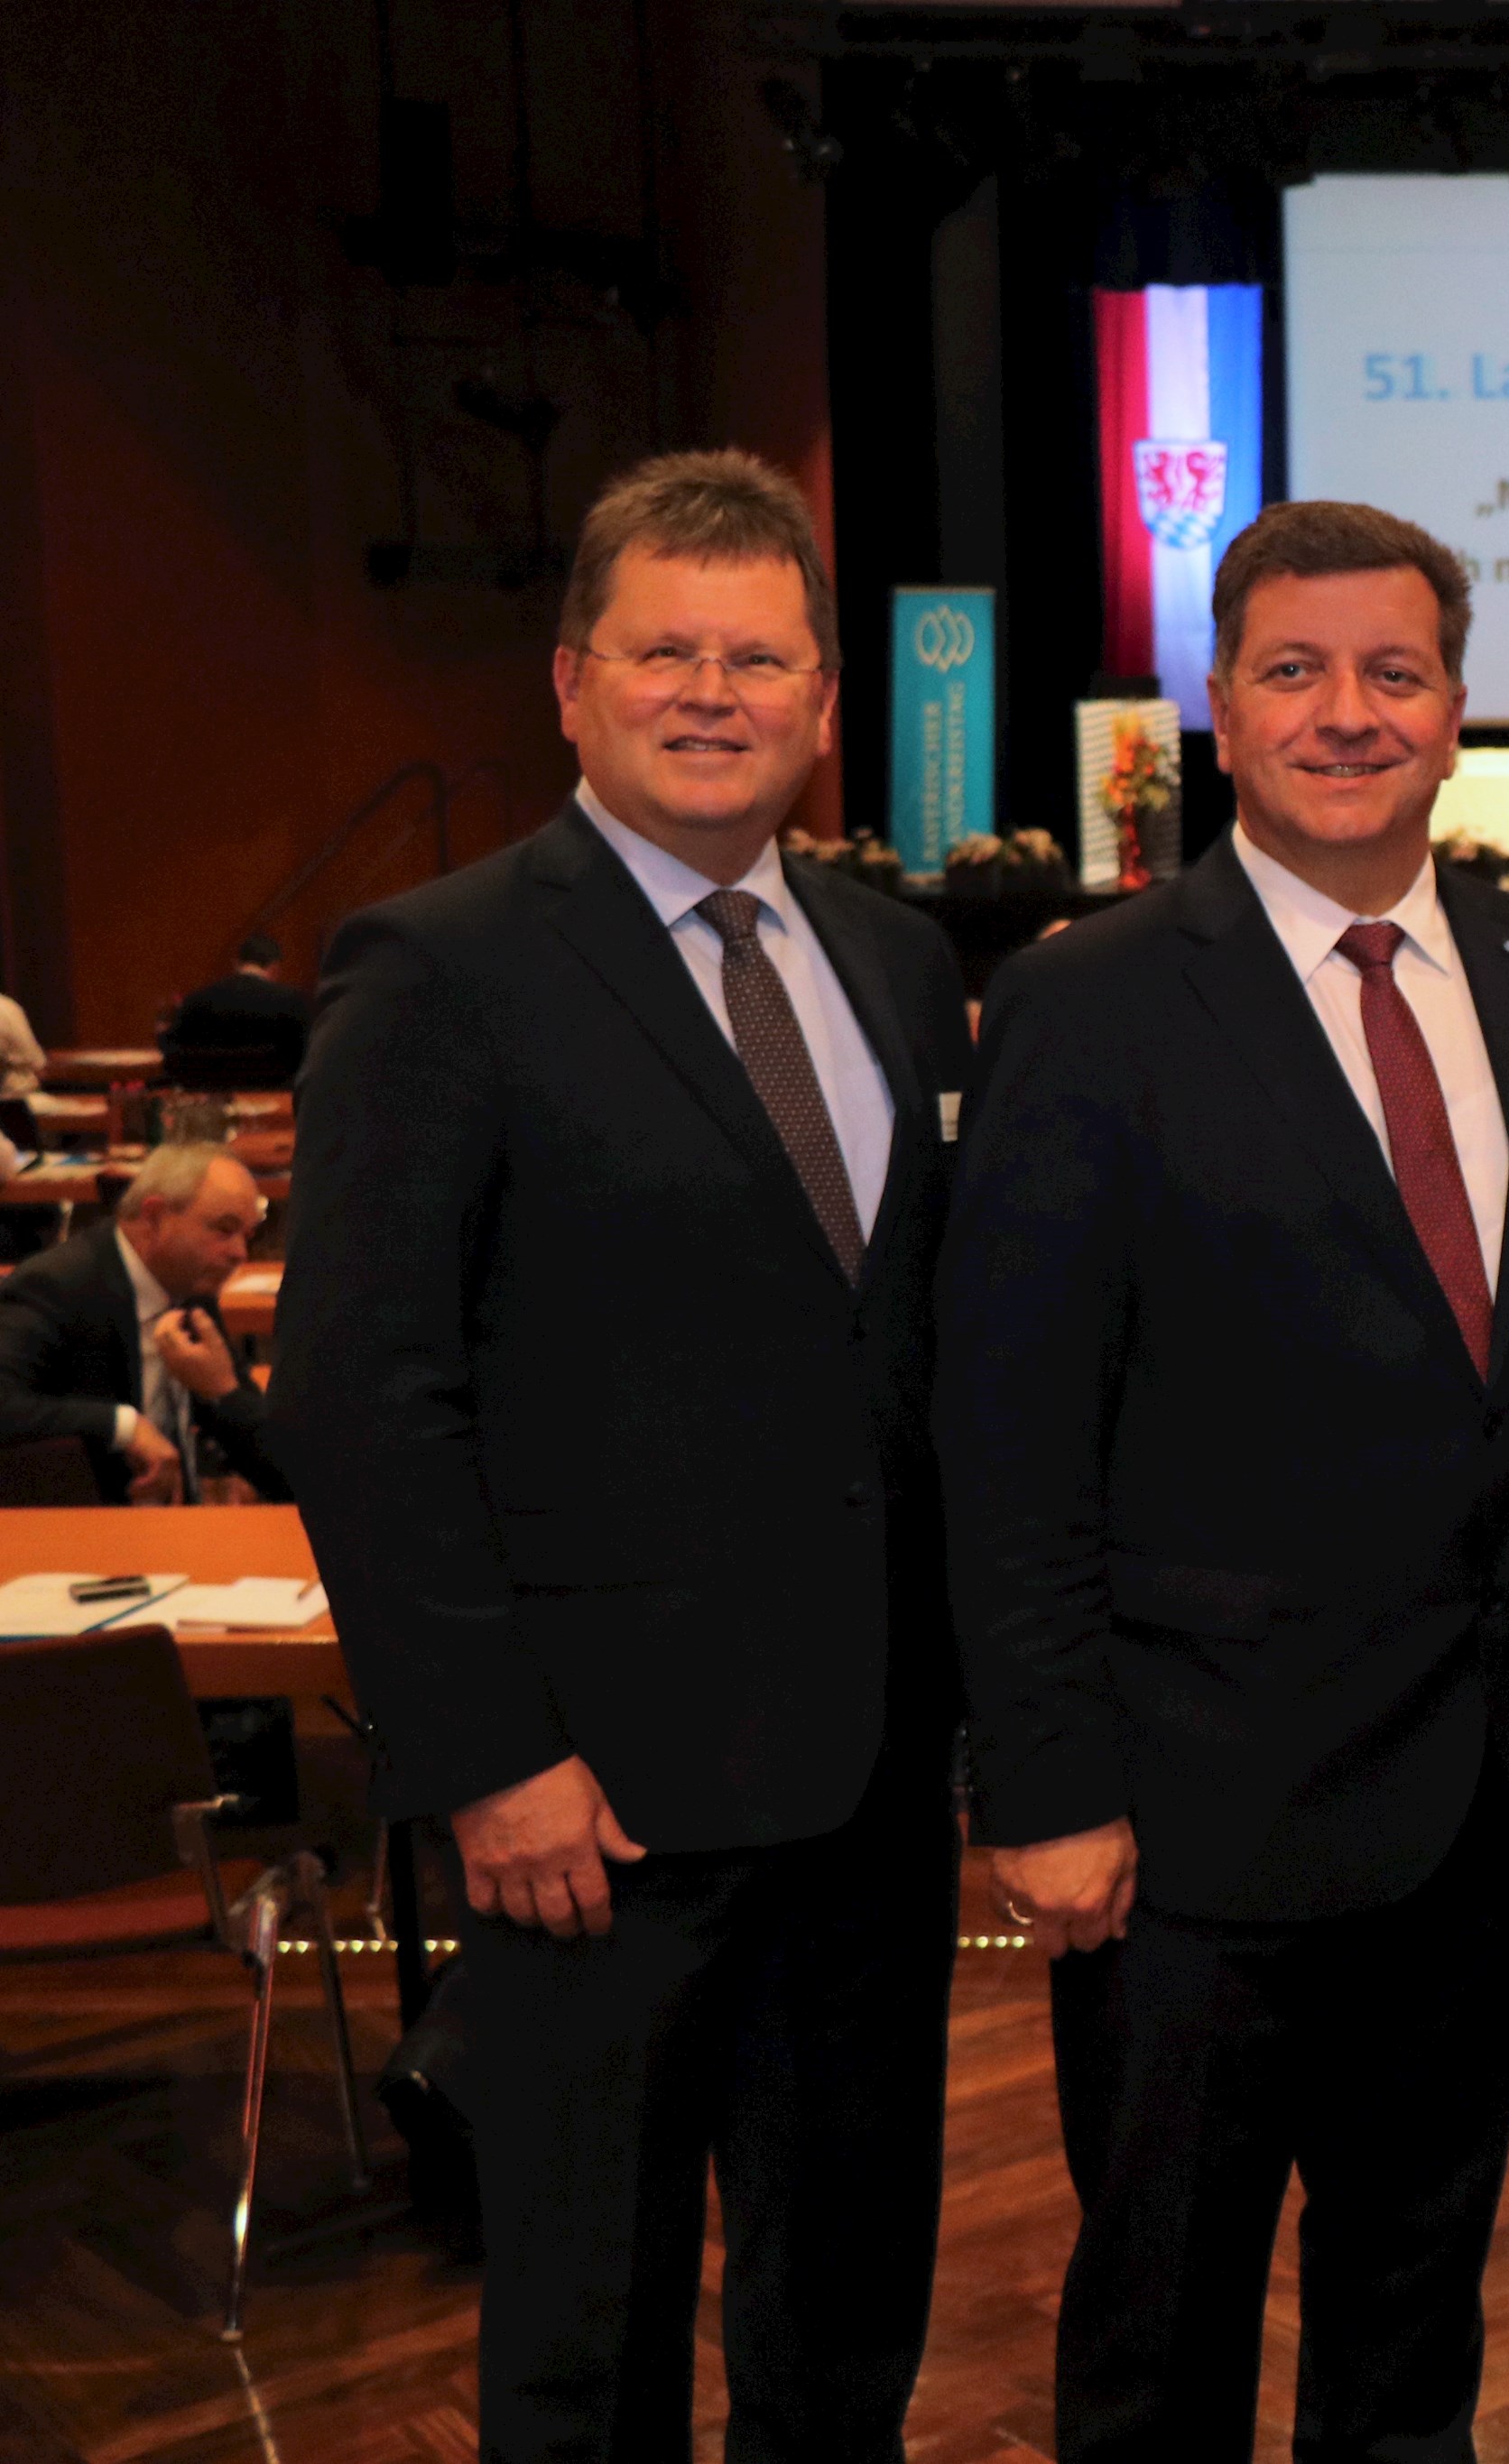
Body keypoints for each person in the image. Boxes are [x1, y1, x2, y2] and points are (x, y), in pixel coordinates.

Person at [275, 448, 973, 2464]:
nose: (711, 691)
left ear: (828, 704)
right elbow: (360, 1392)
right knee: (589, 2353)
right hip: (593, 1811)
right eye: (663, 647)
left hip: (857, 1793)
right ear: (570, 681)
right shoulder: (441, 966)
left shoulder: (896, 964)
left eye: (759, 656)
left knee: (844, 2318)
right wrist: (489, 1755)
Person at [941, 498, 1509, 2464]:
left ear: (1457, 713)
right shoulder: (1089, 1002)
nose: (1347, 713)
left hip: (1482, 1802)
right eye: (1294, 671)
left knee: (1412, 2331)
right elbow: (1008, 1426)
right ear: (1216, 713)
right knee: (1159, 2343)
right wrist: (1050, 1783)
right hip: (1187, 1829)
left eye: (1393, 673)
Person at [0, 1141, 278, 1503]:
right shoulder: (56, 1286)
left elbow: (280, 1471)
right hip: (83, 1535)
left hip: (178, 1529)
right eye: (224, 1230)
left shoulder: (191, 1286)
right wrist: (124, 1427)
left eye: (247, 1235)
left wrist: (224, 1394)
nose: (239, 1253)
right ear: (155, 1218)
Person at [161, 934, 314, 1089]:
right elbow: (307, 1057)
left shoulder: (198, 1000)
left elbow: (172, 1051)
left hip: (211, 1098)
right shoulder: (292, 1002)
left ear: (236, 964)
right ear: (275, 968)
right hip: (276, 1099)